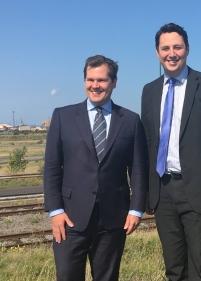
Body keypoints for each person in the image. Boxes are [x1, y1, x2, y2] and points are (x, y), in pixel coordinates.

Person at [44, 55, 148, 281]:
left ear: (114, 82)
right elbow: (52, 167)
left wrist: (136, 209)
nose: (95, 85)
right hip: (70, 218)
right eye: (90, 79)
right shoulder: (63, 116)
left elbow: (138, 169)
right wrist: (55, 211)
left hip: (113, 218)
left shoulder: (130, 120)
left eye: (101, 80)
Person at [141, 23, 201, 281]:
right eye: (165, 48)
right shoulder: (149, 91)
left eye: (177, 47)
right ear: (157, 53)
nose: (172, 53)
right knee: (174, 268)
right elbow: (148, 143)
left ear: (187, 49)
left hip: (199, 190)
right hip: (162, 190)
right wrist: (147, 191)